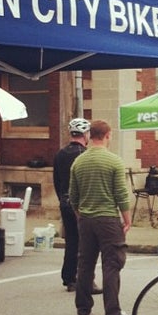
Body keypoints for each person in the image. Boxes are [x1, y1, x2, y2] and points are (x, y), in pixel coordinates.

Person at [69, 120, 132, 315]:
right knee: (112, 263)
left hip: (86, 219)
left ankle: (83, 307)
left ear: (90, 135)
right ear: (107, 135)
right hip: (108, 219)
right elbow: (121, 194)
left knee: (85, 263)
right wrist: (127, 219)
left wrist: (80, 215)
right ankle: (112, 312)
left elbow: (73, 195)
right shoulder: (114, 161)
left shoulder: (79, 162)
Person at [53, 118, 102, 294]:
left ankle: (69, 278)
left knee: (71, 241)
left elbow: (57, 182)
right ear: (86, 134)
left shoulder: (60, 154)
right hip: (81, 204)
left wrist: (62, 200)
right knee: (86, 245)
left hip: (65, 203)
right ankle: (85, 280)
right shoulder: (84, 154)